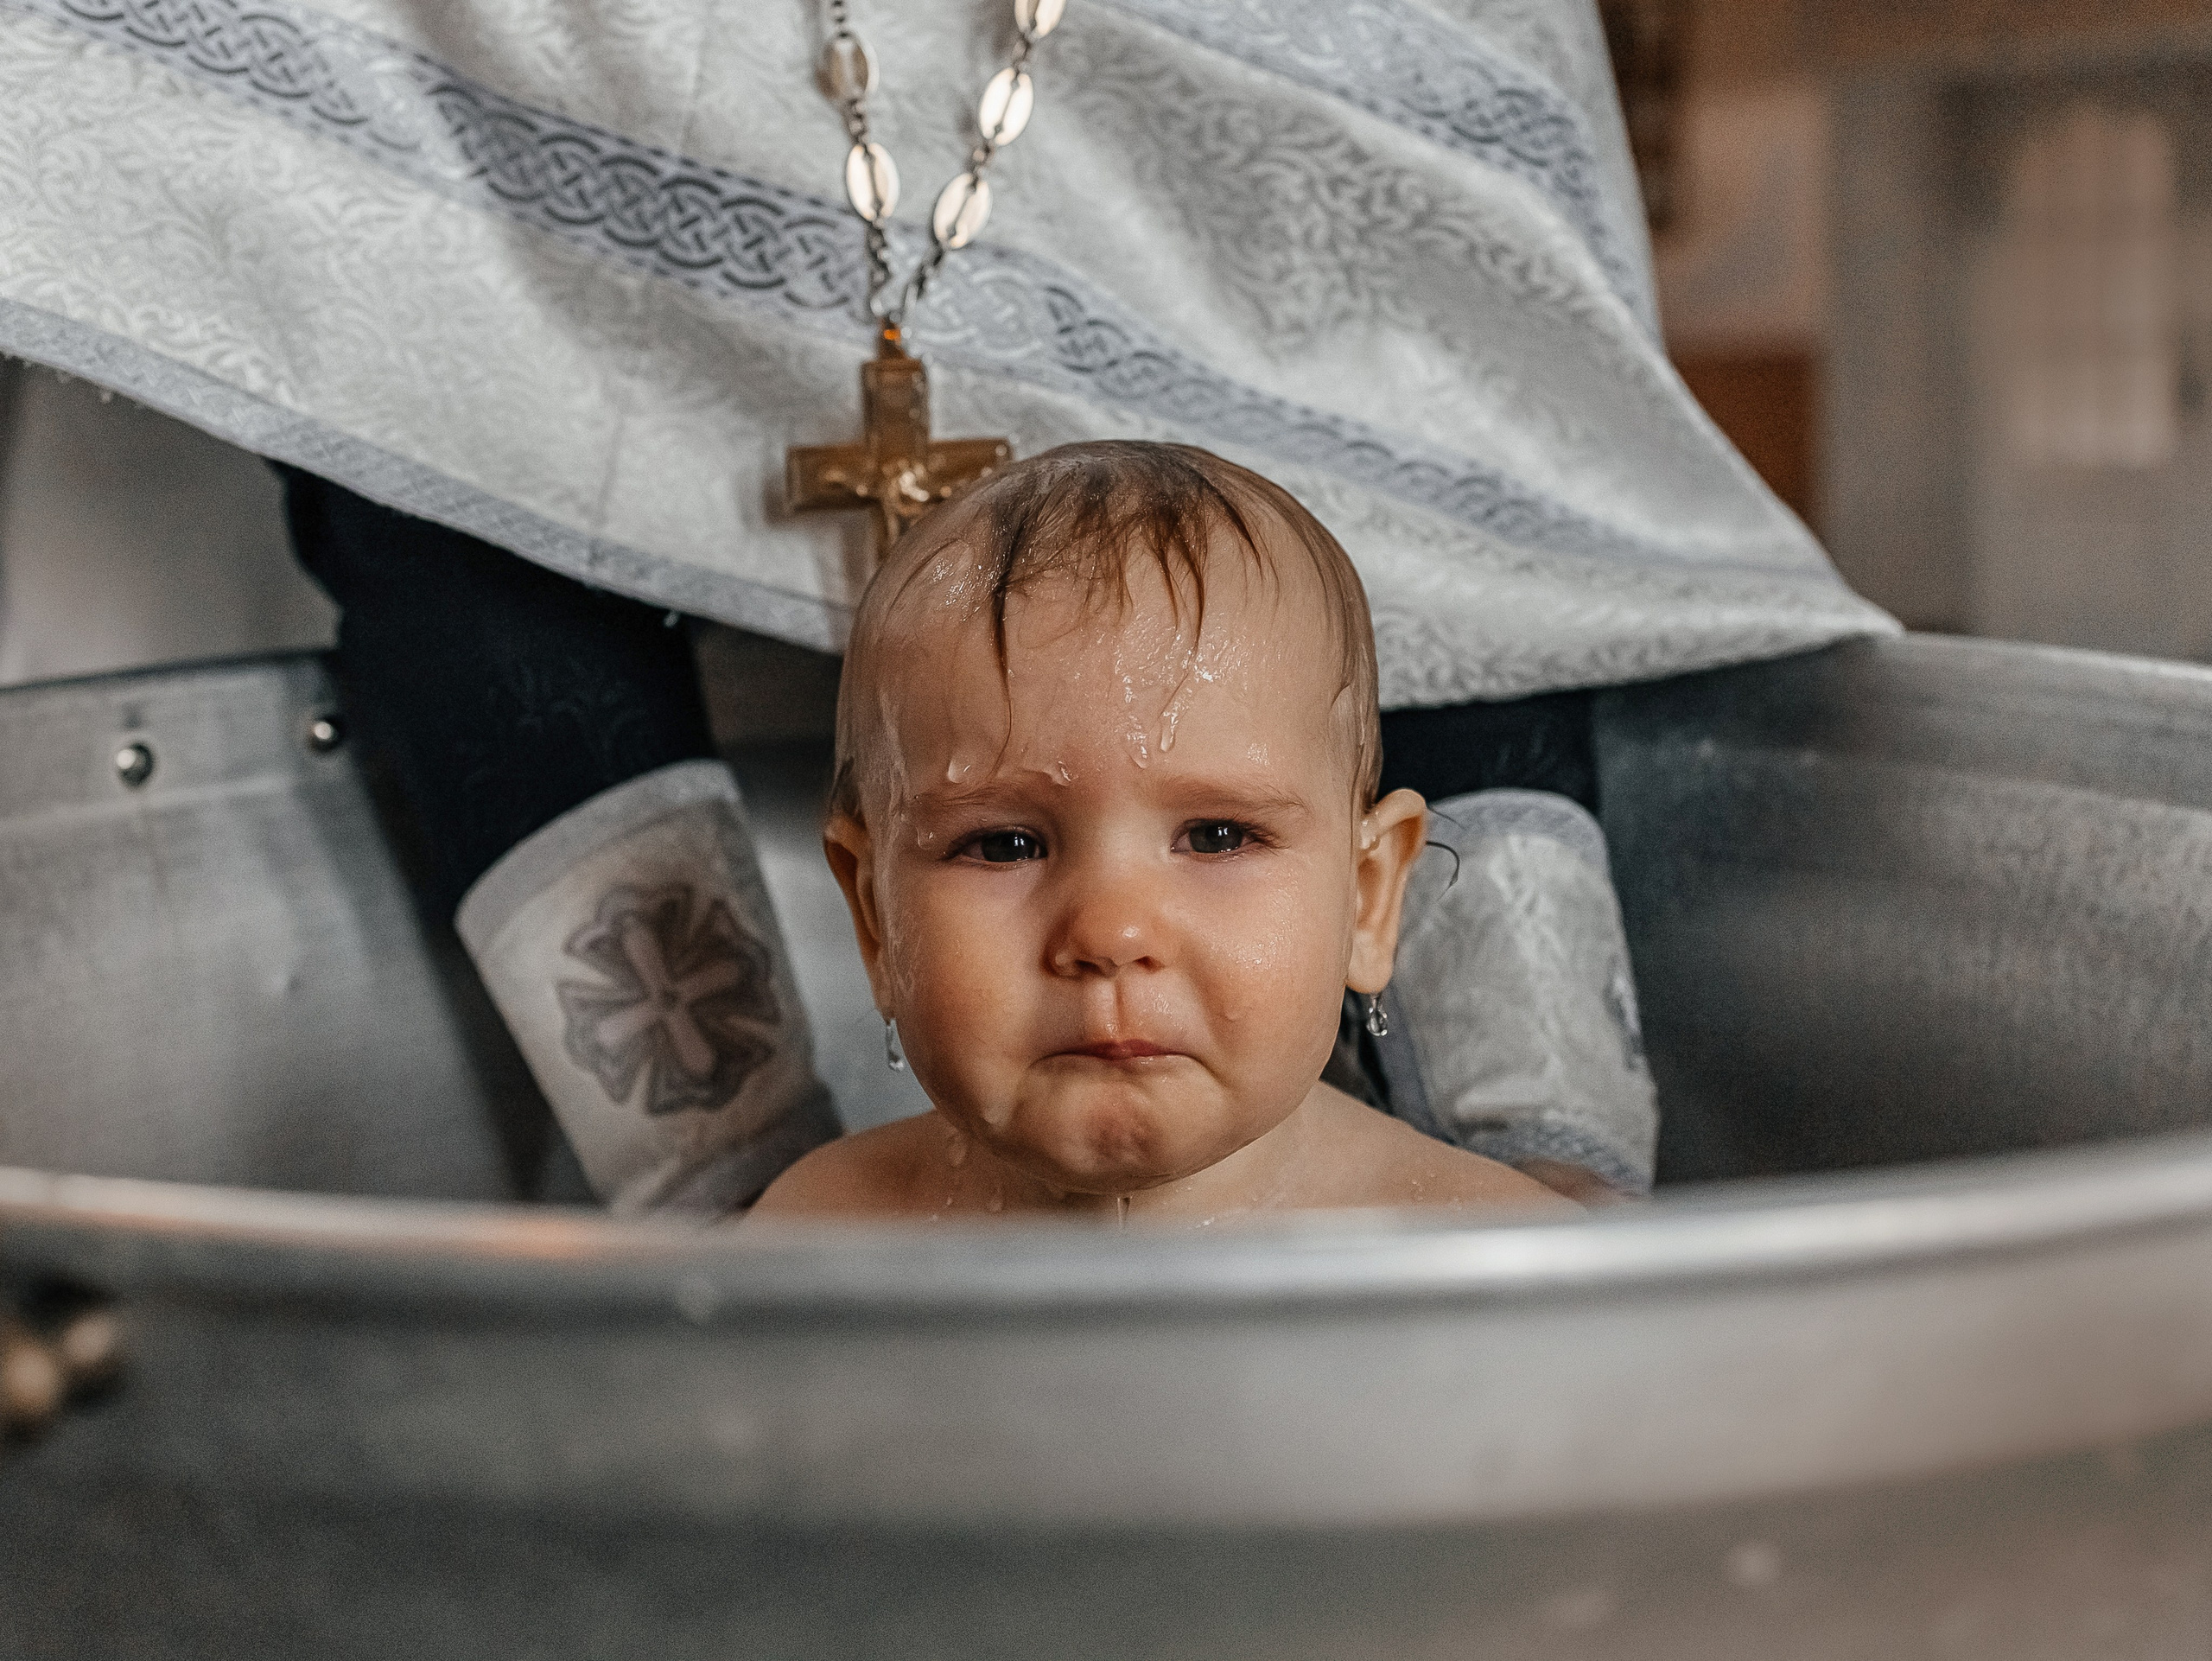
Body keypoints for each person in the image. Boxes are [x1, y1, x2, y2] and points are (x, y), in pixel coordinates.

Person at [752, 441, 1567, 1222]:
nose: (1110, 934)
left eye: (1217, 836)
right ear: (876, 920)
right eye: (1005, 844)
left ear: (1365, 901)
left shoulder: (1486, 1259)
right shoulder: (817, 1247)